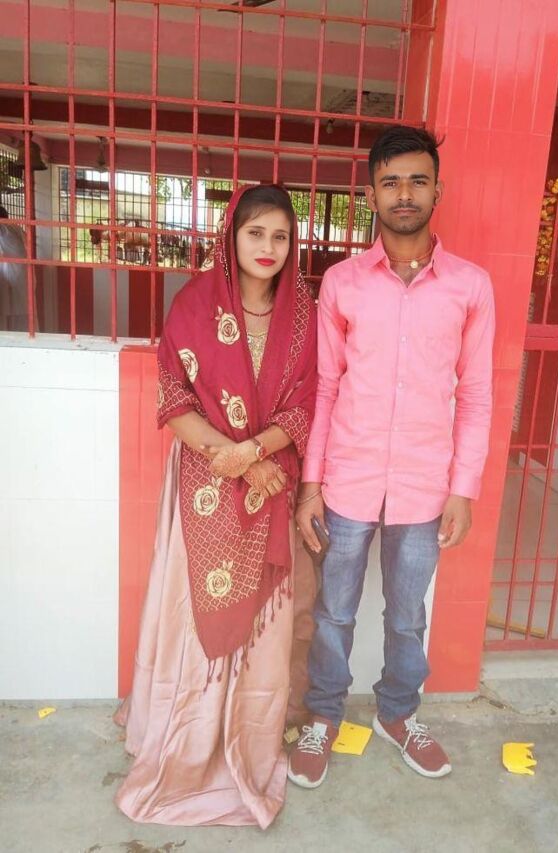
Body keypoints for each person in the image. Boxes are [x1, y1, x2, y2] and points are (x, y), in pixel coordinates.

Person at [290, 125, 495, 788]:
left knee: (407, 615)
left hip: (424, 484)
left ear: (438, 189)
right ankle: (323, 715)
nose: (404, 193)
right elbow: (325, 387)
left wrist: (463, 488)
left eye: (416, 180)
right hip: (348, 478)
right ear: (371, 194)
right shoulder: (343, 283)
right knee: (334, 612)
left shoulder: (470, 286)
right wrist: (311, 485)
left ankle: (399, 712)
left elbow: (478, 394)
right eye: (390, 181)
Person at [114, 184, 317, 828]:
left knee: (264, 627)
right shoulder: (195, 303)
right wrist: (235, 457)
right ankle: (191, 735)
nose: (268, 247)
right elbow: (173, 396)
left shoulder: (304, 314)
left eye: (280, 236)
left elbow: (307, 404)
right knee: (194, 615)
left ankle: (245, 738)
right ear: (232, 235)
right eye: (255, 233)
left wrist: (255, 452)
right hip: (204, 489)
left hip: (270, 487)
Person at [0, 204, 29, 331]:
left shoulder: (5, 229)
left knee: (17, 325)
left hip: (14, 281)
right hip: (21, 280)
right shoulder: (17, 229)